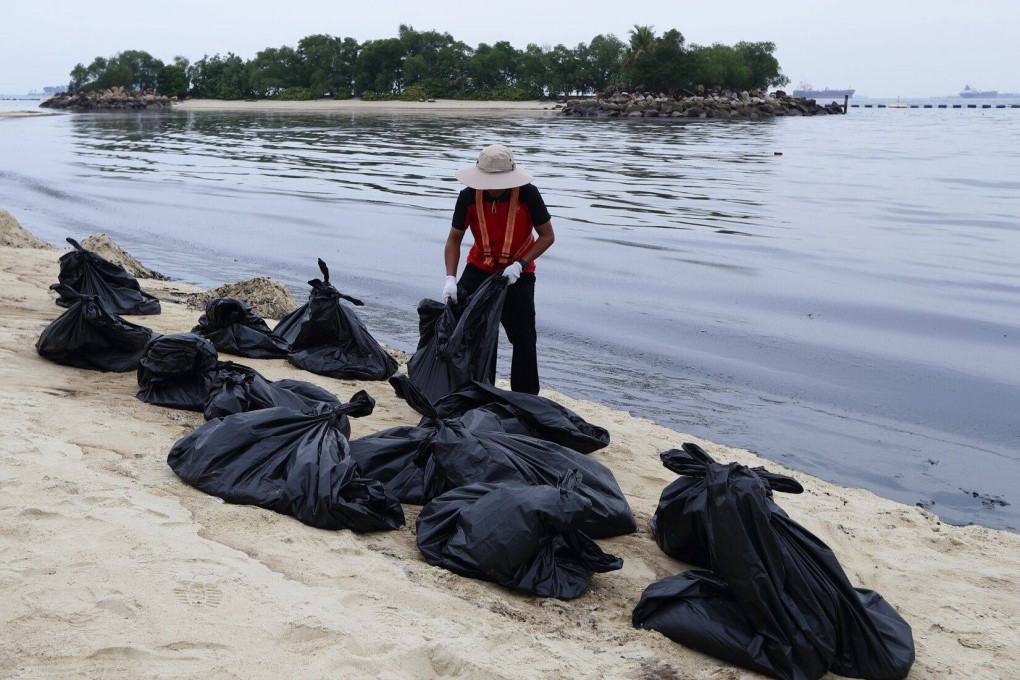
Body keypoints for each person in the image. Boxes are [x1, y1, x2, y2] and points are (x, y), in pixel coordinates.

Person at [442, 144, 555, 395]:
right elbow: (454, 239)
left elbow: (547, 236)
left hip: (518, 274)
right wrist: (450, 278)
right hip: (479, 268)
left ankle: (525, 398)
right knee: (471, 331)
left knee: (524, 338)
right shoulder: (468, 196)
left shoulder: (528, 195)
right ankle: (476, 388)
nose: (492, 187)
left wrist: (520, 264)